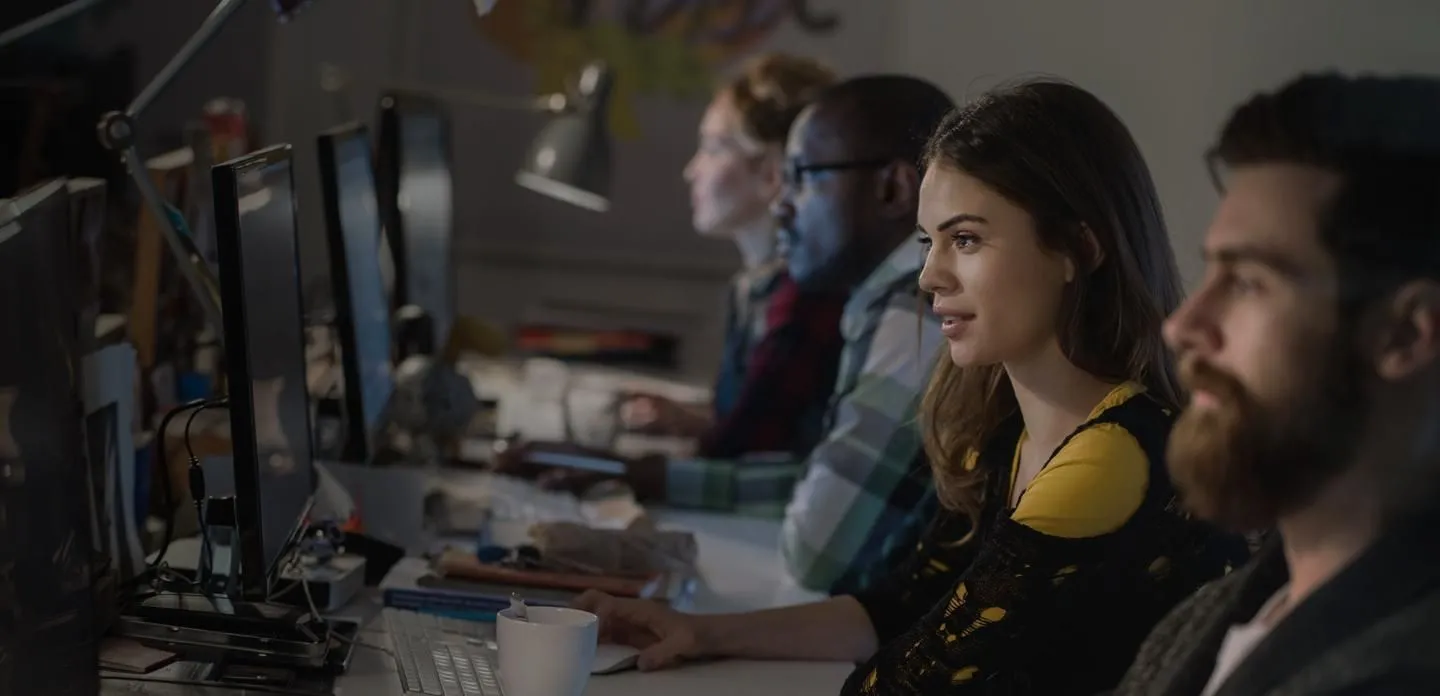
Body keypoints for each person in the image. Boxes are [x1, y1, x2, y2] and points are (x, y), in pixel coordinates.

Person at [571, 78, 1244, 695]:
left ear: (1077, 249)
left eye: (966, 240)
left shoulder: (1112, 455)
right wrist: (701, 633)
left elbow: (907, 682)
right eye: (927, 243)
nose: (929, 277)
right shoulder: (1006, 429)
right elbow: (897, 608)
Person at [507, 74, 954, 594]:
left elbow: (817, 551)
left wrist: (642, 473)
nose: (783, 204)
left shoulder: (914, 314)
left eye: (801, 178)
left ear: (893, 189)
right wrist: (645, 474)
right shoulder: (885, 302)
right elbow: (816, 480)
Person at [1113, 74, 1440, 696]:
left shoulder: (1408, 667)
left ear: (1404, 334)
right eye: (1212, 272)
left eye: (1248, 282)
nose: (1183, 325)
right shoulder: (1226, 610)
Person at [619, 52, 846, 460]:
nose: (692, 170)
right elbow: (751, 425)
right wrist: (690, 420)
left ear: (772, 172)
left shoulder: (805, 297)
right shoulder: (754, 285)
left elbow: (753, 447)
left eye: (712, 148)